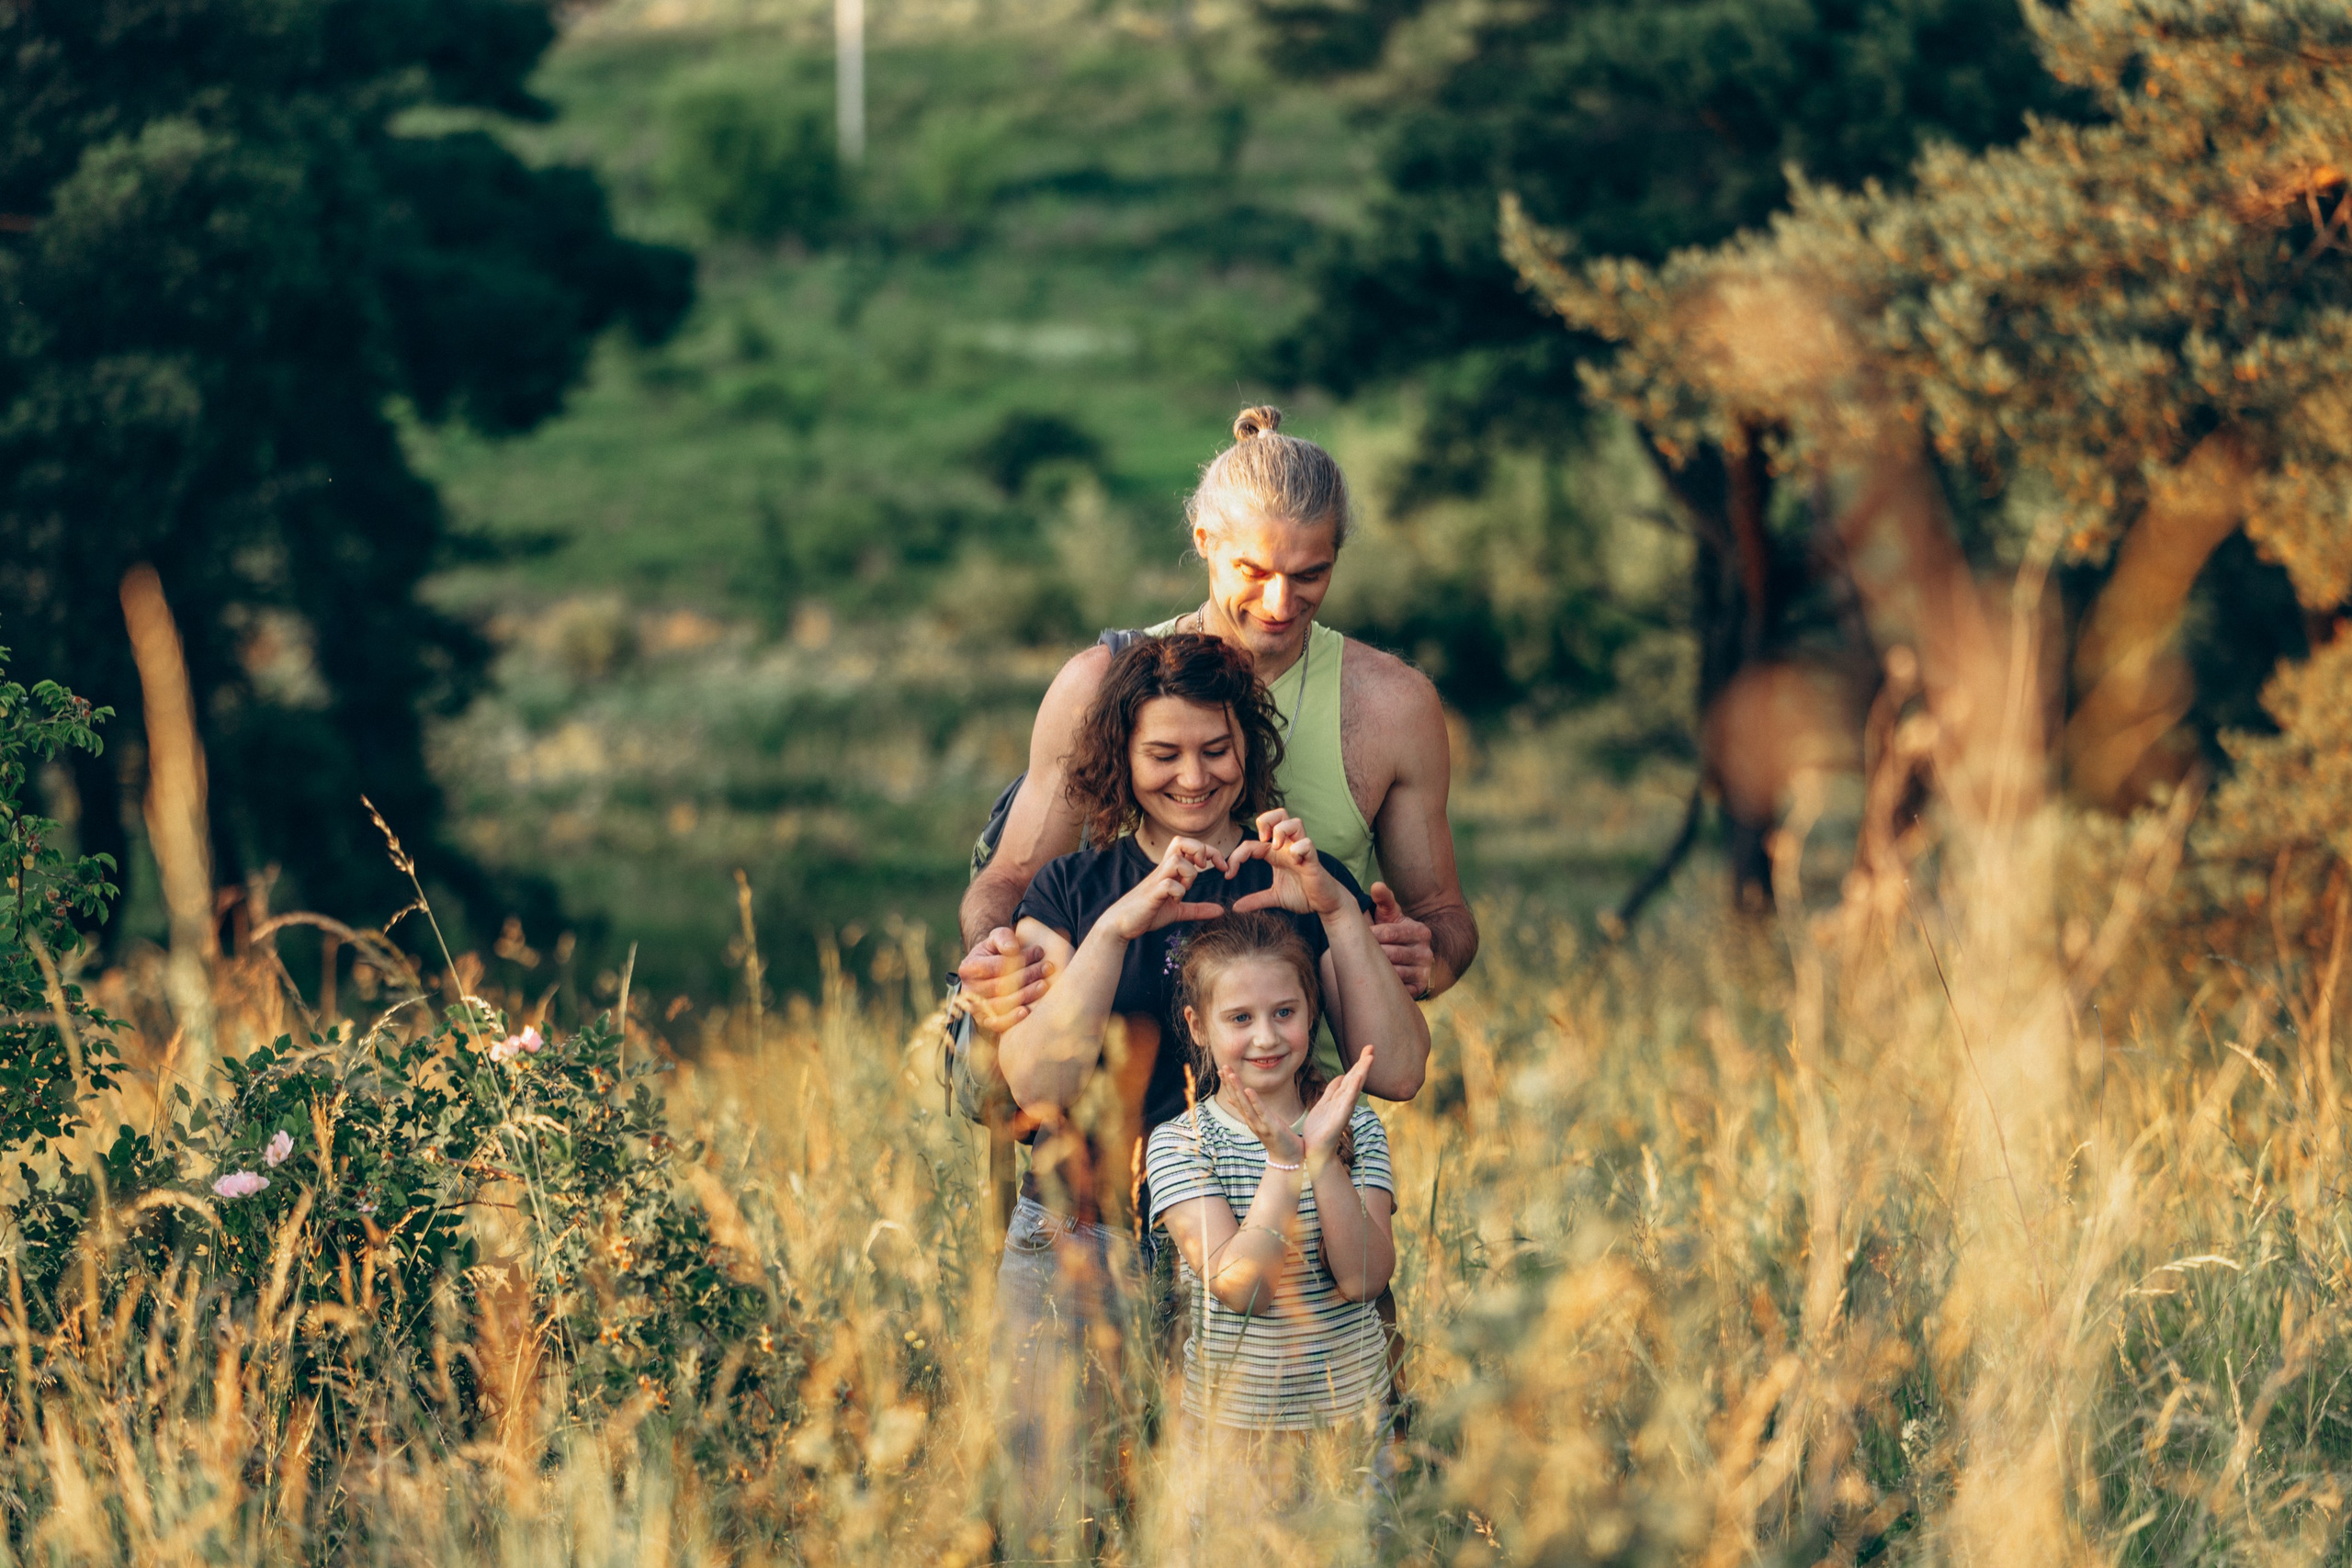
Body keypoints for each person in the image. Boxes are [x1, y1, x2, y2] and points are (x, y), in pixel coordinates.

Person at [987, 633, 1428, 1559]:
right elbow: (1036, 1086)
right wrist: (1116, 928)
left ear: (1248, 747)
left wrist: (1337, 912)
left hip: (1270, 1251)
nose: (1193, 777)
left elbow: (1396, 1071)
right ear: (1123, 756)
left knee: (1248, 1531)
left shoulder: (1303, 878)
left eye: (1216, 750)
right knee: (1065, 1526)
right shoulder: (1076, 887)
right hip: (1086, 1242)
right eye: (1163, 754)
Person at [957, 404, 1478, 1028]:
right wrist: (993, 950)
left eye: (1311, 573)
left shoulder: (1395, 705)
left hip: (1305, 1110)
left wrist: (1429, 955)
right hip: (1110, 1103)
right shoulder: (1096, 686)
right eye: (1253, 571)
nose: (1281, 603)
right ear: (1204, 540)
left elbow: (1443, 913)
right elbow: (1009, 878)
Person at [1148, 910, 1396, 1529]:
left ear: (1311, 1013)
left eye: (1284, 1012)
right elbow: (1244, 1287)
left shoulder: (1355, 1125)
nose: (1266, 1036)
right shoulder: (1183, 1142)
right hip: (1235, 1436)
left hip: (1350, 1428)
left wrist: (1319, 1156)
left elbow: (1364, 1277)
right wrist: (1284, 1166)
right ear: (1197, 1026)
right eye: (1239, 1018)